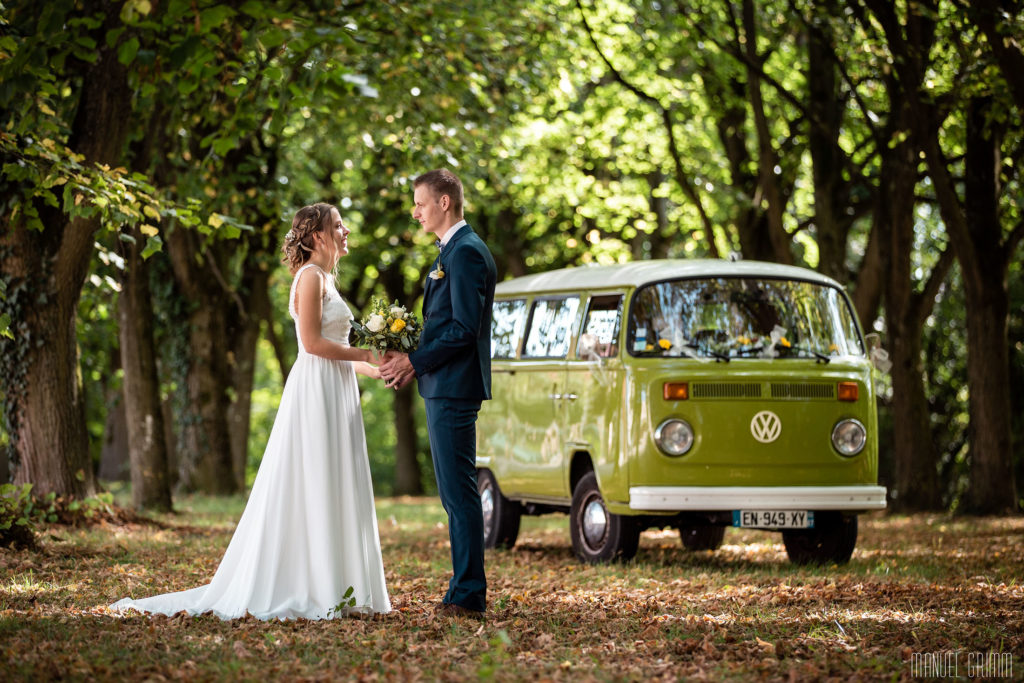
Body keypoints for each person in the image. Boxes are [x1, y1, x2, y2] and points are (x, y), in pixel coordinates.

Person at [110, 203, 391, 620]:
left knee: (335, 476)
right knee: (315, 477)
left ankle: (339, 584)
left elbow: (338, 354)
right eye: (337, 225)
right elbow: (312, 344)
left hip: (337, 387)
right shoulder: (310, 277)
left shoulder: (328, 279)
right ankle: (312, 586)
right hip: (315, 391)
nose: (345, 230)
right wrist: (368, 348)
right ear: (316, 237)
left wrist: (375, 368)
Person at [379, 169, 497, 618]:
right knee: (454, 492)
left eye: (421, 202)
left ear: (444, 202)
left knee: (459, 492)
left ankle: (468, 594)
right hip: (443, 384)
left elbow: (465, 330)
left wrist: (413, 362)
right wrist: (409, 356)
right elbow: (444, 325)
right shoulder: (454, 250)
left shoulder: (466, 253)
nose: (416, 211)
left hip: (454, 387)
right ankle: (461, 588)